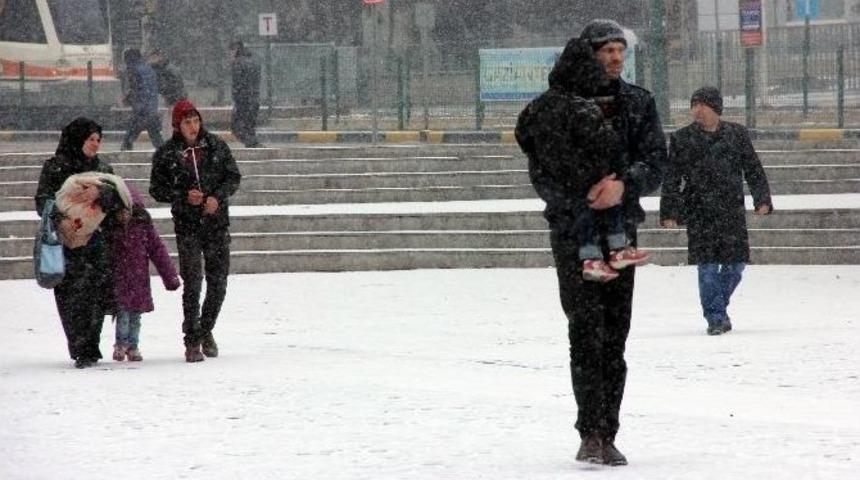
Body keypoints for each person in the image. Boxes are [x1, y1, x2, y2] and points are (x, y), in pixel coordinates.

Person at [516, 19, 667, 466]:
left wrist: (623, 186)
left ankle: (609, 430)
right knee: (585, 333)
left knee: (615, 337)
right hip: (572, 233)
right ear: (588, 55)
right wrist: (582, 197)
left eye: (621, 50)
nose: (616, 58)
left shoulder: (638, 103)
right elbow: (542, 172)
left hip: (621, 232)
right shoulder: (556, 106)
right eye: (607, 50)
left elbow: (655, 160)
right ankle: (590, 431)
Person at [659, 86, 773, 335]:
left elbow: (753, 169)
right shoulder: (682, 138)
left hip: (731, 210)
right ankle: (716, 318)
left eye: (702, 105)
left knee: (736, 265)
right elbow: (672, 178)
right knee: (707, 267)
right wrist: (669, 212)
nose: (697, 110)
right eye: (694, 105)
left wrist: (762, 199)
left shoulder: (737, 134)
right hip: (699, 211)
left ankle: (717, 305)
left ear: (715, 108)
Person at [149, 99, 241, 362]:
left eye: (196, 121)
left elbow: (233, 177)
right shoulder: (167, 153)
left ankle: (205, 328)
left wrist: (217, 198)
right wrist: (182, 196)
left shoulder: (215, 146)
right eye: (187, 122)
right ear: (177, 125)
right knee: (193, 282)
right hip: (187, 225)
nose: (193, 127)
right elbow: (157, 189)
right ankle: (191, 339)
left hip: (216, 224)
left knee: (218, 282)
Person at [34, 118, 115, 368]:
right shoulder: (56, 167)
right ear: (78, 139)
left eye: (98, 140)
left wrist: (101, 193)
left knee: (96, 293)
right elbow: (43, 200)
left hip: (96, 240)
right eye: (91, 139)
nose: (95, 144)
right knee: (71, 295)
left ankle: (91, 344)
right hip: (66, 243)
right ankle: (79, 345)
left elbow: (118, 198)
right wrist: (61, 220)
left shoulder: (102, 169)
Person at [105, 183, 181, 362]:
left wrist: (170, 276)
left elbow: (158, 251)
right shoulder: (110, 228)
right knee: (122, 313)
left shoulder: (142, 226)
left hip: (138, 280)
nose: (123, 215)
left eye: (127, 211)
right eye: (119, 211)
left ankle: (133, 345)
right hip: (119, 279)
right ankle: (121, 344)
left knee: (135, 315)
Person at [121, 48, 163, 151]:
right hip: (151, 107)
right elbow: (150, 88)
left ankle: (124, 152)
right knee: (155, 135)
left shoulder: (134, 70)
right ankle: (166, 153)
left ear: (128, 59)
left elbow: (137, 90)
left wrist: (128, 100)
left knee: (131, 133)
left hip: (142, 109)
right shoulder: (148, 68)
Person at [229, 40, 263, 148]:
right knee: (249, 126)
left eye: (231, 51)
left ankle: (252, 143)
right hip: (254, 99)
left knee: (236, 126)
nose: (230, 55)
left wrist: (236, 99)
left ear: (235, 50)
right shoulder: (254, 61)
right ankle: (253, 145)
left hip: (243, 100)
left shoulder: (238, 63)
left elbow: (237, 84)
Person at [148, 48, 187, 134]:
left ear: (159, 57)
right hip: (170, 100)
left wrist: (169, 98)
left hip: (173, 100)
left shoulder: (167, 69)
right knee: (167, 124)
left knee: (169, 124)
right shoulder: (161, 68)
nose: (150, 60)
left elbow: (174, 86)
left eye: (153, 57)